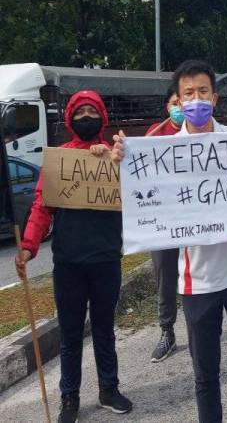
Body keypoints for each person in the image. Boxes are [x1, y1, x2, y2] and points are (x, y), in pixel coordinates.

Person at [112, 60, 227, 422]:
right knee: (205, 377)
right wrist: (121, 162)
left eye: (203, 92)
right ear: (177, 101)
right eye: (188, 93)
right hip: (196, 285)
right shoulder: (160, 154)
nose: (196, 99)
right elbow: (142, 199)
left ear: (215, 97)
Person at [15, 91, 132, 423]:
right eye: (78, 112)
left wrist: (110, 159)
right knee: (69, 335)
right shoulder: (59, 161)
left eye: (90, 111)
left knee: (104, 330)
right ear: (69, 119)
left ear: (101, 118)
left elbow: (139, 196)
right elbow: (41, 207)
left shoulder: (115, 158)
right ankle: (70, 397)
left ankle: (109, 389)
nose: (85, 117)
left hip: (106, 261)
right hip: (68, 264)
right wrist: (28, 245)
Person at [147, 85, 185, 363]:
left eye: (182, 102)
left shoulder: (200, 134)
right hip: (163, 221)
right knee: (165, 275)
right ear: (167, 107)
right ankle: (167, 331)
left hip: (195, 217)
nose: (179, 108)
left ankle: (208, 322)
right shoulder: (154, 134)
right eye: (175, 103)